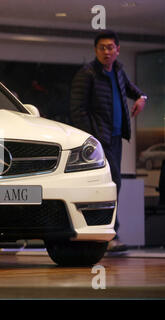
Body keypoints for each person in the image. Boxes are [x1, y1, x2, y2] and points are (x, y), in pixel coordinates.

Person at [70, 29, 147, 252]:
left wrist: (142, 98)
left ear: (117, 50)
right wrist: (91, 138)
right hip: (99, 140)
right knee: (110, 183)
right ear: (96, 50)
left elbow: (134, 91)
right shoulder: (87, 74)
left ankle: (109, 232)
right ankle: (108, 234)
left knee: (115, 183)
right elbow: (77, 111)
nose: (106, 51)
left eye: (110, 47)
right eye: (102, 48)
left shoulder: (119, 72)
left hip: (115, 138)